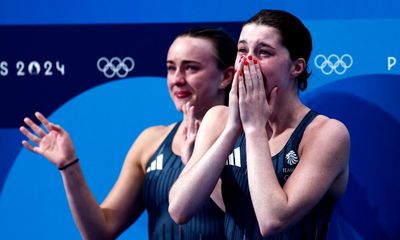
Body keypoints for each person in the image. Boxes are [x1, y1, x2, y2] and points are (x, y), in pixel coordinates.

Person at [19, 27, 236, 239]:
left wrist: (193, 166)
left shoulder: (248, 141)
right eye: (171, 68)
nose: (177, 79)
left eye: (191, 68)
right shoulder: (150, 142)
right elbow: (101, 231)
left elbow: (257, 221)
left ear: (226, 77)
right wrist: (68, 165)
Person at [169, 10, 350, 239]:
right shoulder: (219, 120)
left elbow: (273, 220)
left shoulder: (326, 134)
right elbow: (179, 210)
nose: (247, 61)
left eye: (263, 52)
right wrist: (233, 128)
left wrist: (253, 129)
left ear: (297, 67)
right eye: (242, 50)